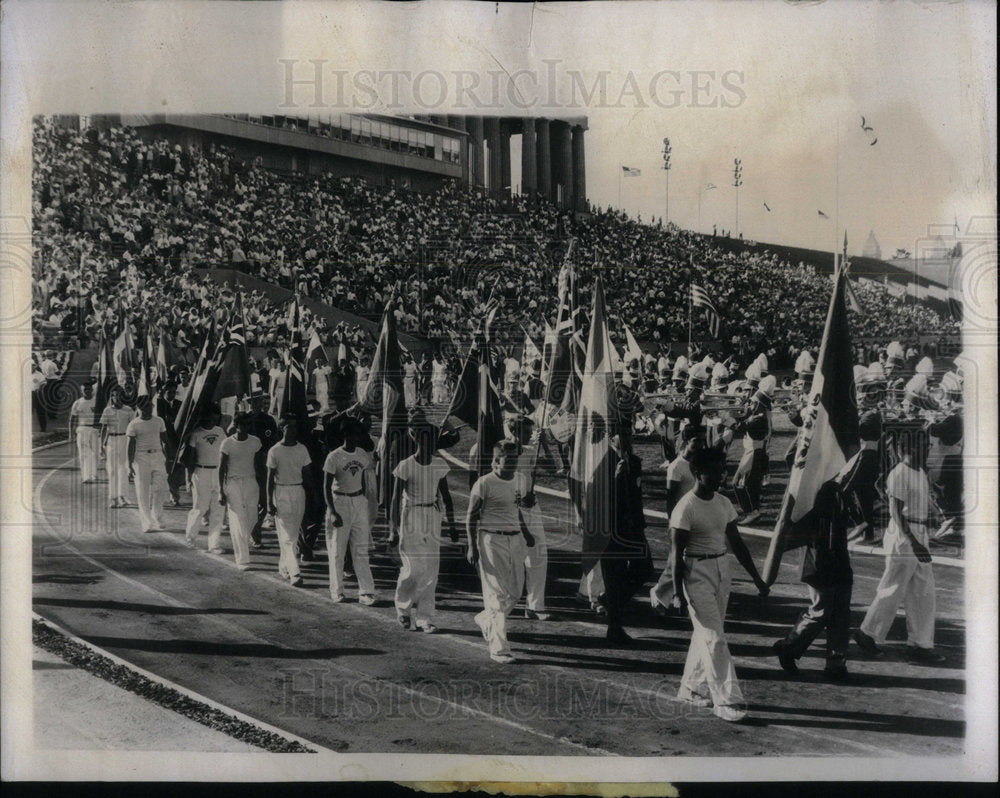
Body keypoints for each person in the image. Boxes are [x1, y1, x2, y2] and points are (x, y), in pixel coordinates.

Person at [671, 447, 769, 722]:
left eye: (722, 470)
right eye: (714, 471)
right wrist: (678, 592)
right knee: (714, 638)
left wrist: (757, 579)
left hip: (721, 571)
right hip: (696, 573)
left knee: (707, 633)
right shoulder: (685, 508)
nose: (720, 476)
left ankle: (691, 687)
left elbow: (737, 544)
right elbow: (676, 555)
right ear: (698, 474)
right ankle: (726, 700)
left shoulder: (724, 503)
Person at [854, 431, 946, 663]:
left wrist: (936, 513)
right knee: (893, 588)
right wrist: (914, 543)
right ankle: (868, 633)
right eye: (924, 446)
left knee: (923, 591)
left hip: (919, 533)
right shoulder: (899, 474)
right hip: (904, 537)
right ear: (909, 448)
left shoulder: (920, 472)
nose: (928, 450)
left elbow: (925, 499)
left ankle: (920, 643)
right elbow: (896, 512)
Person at [772, 479, 853, 680]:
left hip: (839, 556)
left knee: (841, 612)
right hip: (820, 556)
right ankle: (788, 648)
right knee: (822, 610)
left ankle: (836, 661)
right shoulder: (817, 478)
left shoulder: (843, 484)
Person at [466, 440, 536, 663]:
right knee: (496, 595)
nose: (515, 462)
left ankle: (486, 619)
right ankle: (499, 648)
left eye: (516, 458)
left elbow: (517, 510)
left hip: (515, 540)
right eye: (510, 458)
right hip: (490, 539)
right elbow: (471, 516)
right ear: (496, 460)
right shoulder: (484, 483)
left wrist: (526, 532)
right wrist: (471, 545)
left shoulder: (521, 480)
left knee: (515, 592)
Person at [388, 410, 456, 632]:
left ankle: (425, 617)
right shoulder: (405, 466)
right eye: (424, 438)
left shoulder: (439, 465)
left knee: (431, 569)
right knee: (412, 568)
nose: (428, 443)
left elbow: (446, 496)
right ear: (416, 439)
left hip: (433, 517)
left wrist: (452, 525)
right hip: (411, 517)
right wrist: (392, 529)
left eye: (432, 439)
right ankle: (403, 608)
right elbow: (395, 499)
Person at [600, 418, 655, 645]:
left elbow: (636, 495)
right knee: (615, 576)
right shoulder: (602, 462)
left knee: (645, 569)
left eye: (629, 434)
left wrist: (639, 522)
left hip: (633, 526)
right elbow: (596, 498)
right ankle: (614, 627)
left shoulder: (634, 461)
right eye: (622, 435)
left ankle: (612, 602)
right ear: (611, 437)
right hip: (610, 528)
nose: (627, 439)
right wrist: (613, 479)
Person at [323, 417, 378, 605]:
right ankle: (337, 590)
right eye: (356, 433)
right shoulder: (334, 456)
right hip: (340, 502)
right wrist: (332, 511)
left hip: (358, 502)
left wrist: (363, 500)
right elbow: (326, 486)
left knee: (361, 549)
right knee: (337, 550)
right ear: (346, 434)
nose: (359, 437)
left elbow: (364, 478)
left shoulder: (362, 454)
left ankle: (366, 592)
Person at [650, 424, 702, 615]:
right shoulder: (676, 466)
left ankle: (678, 596)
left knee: (688, 561)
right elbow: (670, 498)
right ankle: (659, 594)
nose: (701, 444)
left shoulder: (697, 462)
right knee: (676, 561)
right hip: (681, 521)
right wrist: (673, 523)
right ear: (687, 441)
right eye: (697, 441)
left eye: (702, 440)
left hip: (696, 518)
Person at [510, 417, 550, 620]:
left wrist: (544, 444)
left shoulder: (529, 451)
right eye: (524, 432)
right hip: (512, 512)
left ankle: (534, 606)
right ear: (513, 432)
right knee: (514, 561)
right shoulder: (504, 455)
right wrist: (518, 499)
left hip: (533, 509)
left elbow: (552, 468)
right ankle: (503, 606)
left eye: (529, 433)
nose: (527, 436)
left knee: (539, 556)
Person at [266, 415, 312, 587]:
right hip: (281, 492)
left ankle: (284, 566)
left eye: (294, 427)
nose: (292, 430)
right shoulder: (274, 451)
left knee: (292, 533)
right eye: (289, 427)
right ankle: (295, 573)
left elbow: (307, 474)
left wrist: (312, 495)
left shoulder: (302, 449)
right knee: (287, 535)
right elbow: (269, 479)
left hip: (298, 491)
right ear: (282, 429)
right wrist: (270, 501)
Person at [219, 412, 262, 570]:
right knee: (238, 520)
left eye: (247, 425)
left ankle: (243, 539)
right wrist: (220, 490)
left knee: (252, 518)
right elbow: (221, 468)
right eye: (242, 425)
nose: (245, 428)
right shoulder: (227, 443)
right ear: (236, 426)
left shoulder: (255, 442)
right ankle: (242, 559)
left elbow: (259, 465)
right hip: (233, 483)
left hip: (251, 482)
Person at [183, 407, 226, 551]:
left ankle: (214, 544)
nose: (212, 419)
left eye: (215, 416)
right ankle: (190, 538)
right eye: (210, 416)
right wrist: (188, 478)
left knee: (218, 510)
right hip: (201, 472)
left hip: (218, 473)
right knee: (200, 508)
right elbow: (190, 458)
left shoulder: (220, 432)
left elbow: (225, 454)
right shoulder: (196, 434)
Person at [125, 396, 169, 533]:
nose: (148, 409)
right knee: (142, 491)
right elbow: (130, 446)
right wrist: (129, 465)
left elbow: (165, 440)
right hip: (141, 457)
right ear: (139, 408)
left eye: (150, 406)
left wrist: (169, 457)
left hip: (157, 456)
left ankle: (158, 517)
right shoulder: (134, 424)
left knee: (160, 488)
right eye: (145, 407)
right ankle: (146, 522)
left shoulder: (159, 421)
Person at [100, 387, 134, 508]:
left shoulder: (128, 410)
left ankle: (122, 496)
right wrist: (101, 445)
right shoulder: (107, 410)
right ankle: (112, 497)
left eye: (119, 395)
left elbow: (132, 428)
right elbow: (104, 428)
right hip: (111, 441)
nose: (117, 398)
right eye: (114, 396)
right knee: (112, 470)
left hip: (124, 439)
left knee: (123, 469)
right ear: (112, 397)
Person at [69, 381, 99, 483]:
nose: (87, 391)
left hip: (94, 430)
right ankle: (86, 476)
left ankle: (94, 474)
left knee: (95, 453)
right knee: (84, 454)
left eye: (89, 389)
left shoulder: (97, 402)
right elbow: (72, 419)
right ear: (82, 391)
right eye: (85, 390)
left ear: (92, 390)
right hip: (82, 430)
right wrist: (70, 433)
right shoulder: (77, 403)